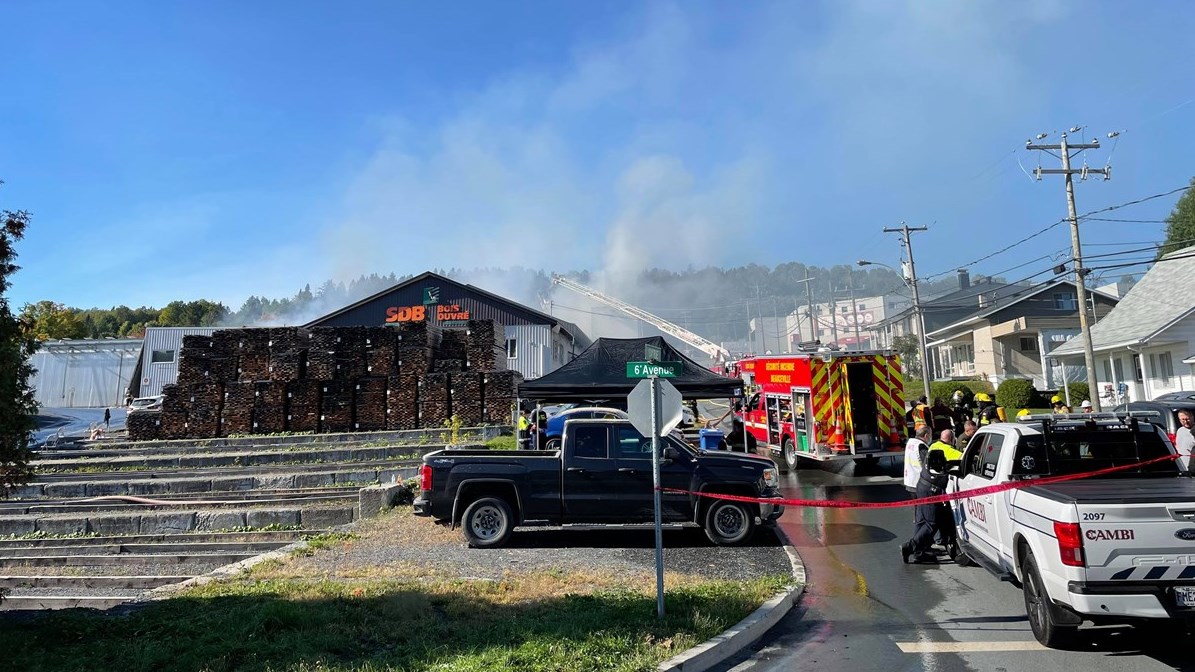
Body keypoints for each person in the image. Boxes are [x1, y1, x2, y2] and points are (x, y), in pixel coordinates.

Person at [901, 448, 955, 564]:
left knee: (921, 521)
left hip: (921, 486)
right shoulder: (939, 455)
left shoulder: (933, 451)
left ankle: (919, 553)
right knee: (931, 523)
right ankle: (910, 547)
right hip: (930, 490)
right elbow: (943, 478)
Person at [903, 425, 932, 494]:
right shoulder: (921, 446)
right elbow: (927, 464)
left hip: (909, 481)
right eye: (930, 435)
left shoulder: (910, 442)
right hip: (918, 482)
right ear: (926, 435)